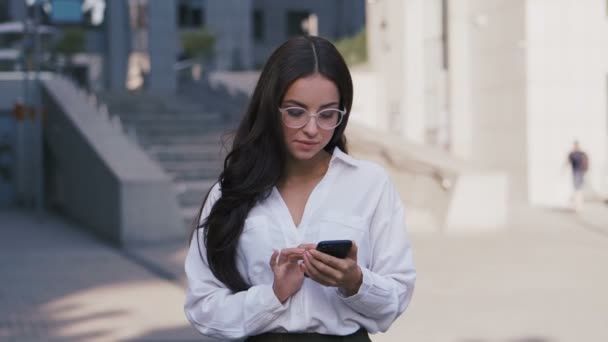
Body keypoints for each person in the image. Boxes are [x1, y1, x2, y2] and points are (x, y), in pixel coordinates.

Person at [184, 35, 416, 341]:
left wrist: (355, 281)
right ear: (271, 107)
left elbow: (396, 297)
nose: (311, 128)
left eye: (327, 114)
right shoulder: (231, 192)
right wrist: (274, 295)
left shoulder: (370, 184)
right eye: (295, 112)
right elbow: (202, 308)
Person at [567, 140, 589, 211]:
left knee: (579, 188)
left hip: (580, 172)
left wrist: (586, 169)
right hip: (575, 172)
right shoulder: (572, 154)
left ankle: (579, 204)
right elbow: (567, 161)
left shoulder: (582, 153)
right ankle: (576, 204)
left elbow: (586, 161)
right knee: (576, 188)